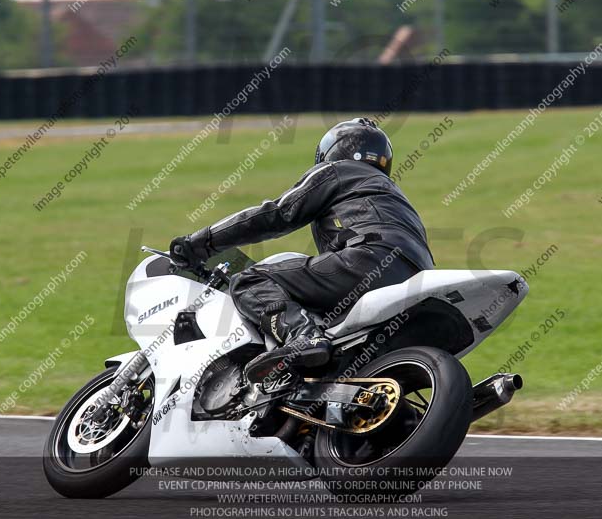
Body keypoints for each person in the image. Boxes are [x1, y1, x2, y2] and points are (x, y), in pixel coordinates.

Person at [170, 118, 434, 383]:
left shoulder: (339, 170)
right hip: (417, 277)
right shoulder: (394, 196)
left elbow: (278, 214)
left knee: (250, 280)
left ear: (332, 151)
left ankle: (302, 337)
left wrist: (202, 241)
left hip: (368, 260)